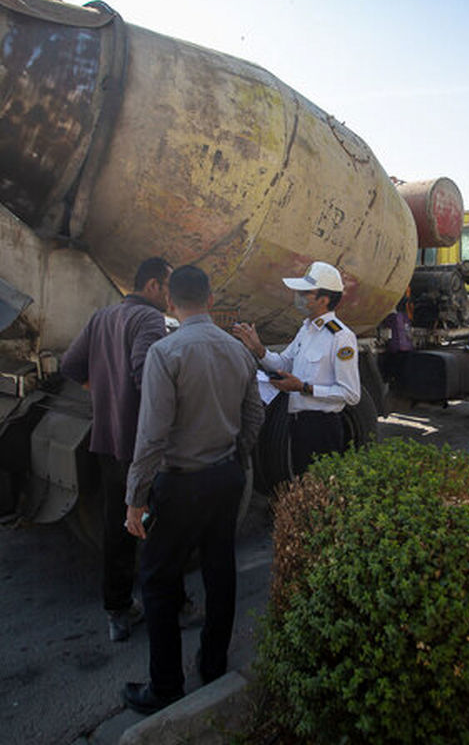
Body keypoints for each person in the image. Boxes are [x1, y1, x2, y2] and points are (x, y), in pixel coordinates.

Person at [122, 265, 264, 715]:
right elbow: (254, 416)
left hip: (180, 483)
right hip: (225, 477)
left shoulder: (167, 353)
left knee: (159, 581)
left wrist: (135, 498)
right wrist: (236, 456)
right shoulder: (238, 351)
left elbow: (152, 436)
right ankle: (213, 663)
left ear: (169, 302)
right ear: (209, 297)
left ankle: (165, 686)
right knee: (220, 570)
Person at [60, 256, 171, 642]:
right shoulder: (150, 320)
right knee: (159, 527)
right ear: (153, 286)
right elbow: (147, 375)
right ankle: (174, 602)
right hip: (141, 445)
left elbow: (71, 367)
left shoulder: (101, 317)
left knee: (117, 526)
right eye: (167, 288)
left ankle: (118, 612)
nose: (170, 298)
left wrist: (106, 393)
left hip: (107, 440)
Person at [231, 261, 361, 475]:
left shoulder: (340, 337)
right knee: (302, 484)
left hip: (323, 427)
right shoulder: (306, 329)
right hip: (299, 424)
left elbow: (351, 394)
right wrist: (258, 349)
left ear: (324, 299)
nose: (298, 296)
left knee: (319, 490)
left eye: (305, 293)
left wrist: (304, 387)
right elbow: (283, 363)